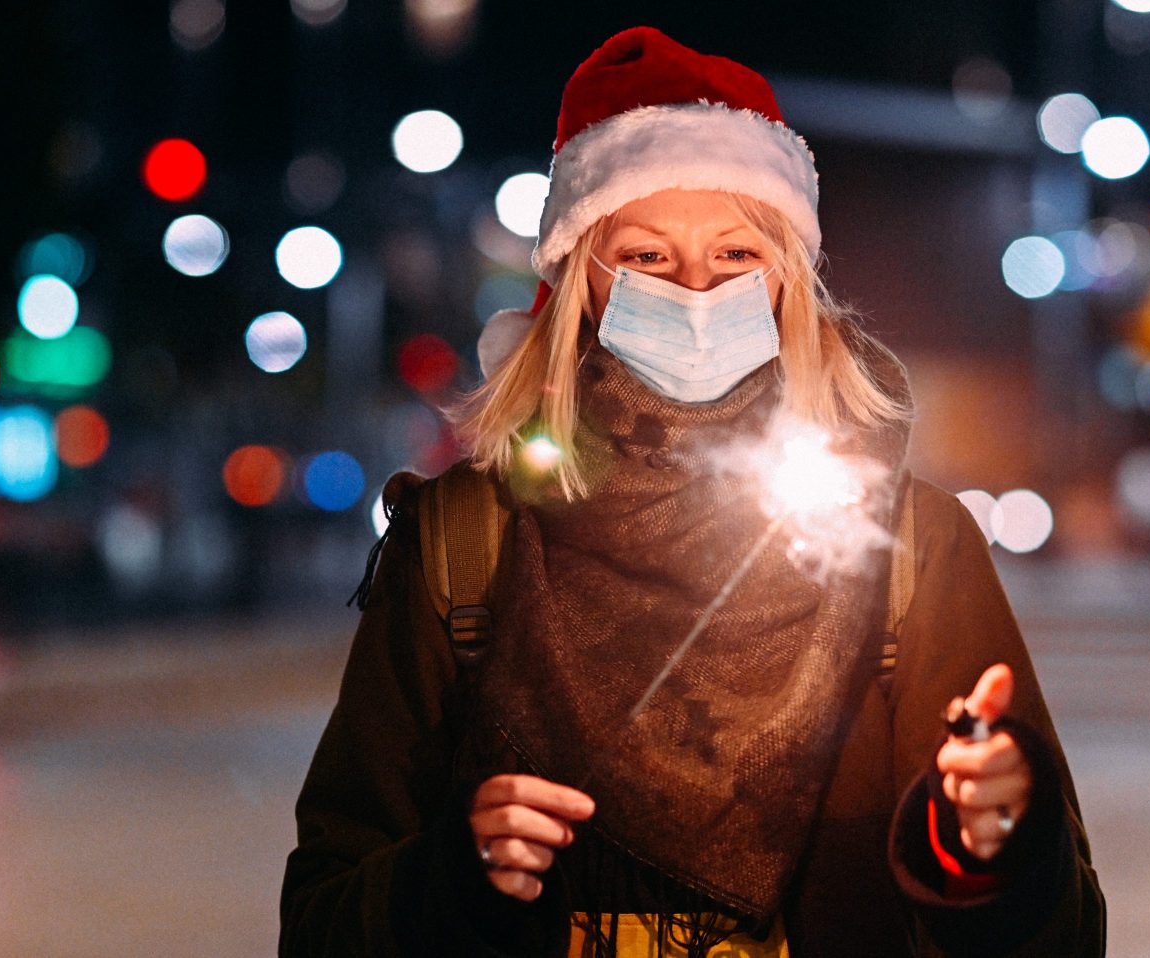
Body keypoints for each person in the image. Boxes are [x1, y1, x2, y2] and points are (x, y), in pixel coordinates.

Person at [280, 26, 1105, 958]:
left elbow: (1064, 938)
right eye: (646, 258)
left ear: (791, 280)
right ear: (579, 278)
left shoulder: (906, 546)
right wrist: (453, 877)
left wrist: (983, 846)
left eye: (738, 256)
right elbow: (320, 923)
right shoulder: (466, 541)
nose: (698, 291)